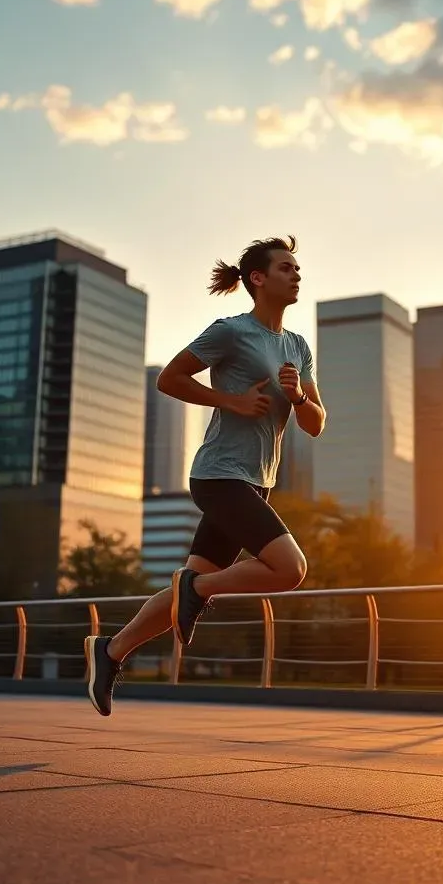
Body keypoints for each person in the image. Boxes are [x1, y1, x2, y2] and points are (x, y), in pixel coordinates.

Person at [84, 235, 327, 716]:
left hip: (256, 483)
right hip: (219, 476)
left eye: (297, 268)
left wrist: (298, 396)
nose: (296, 274)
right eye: (285, 267)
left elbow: (316, 423)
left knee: (195, 582)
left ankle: (110, 651)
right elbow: (169, 378)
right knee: (290, 569)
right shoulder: (231, 332)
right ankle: (193, 589)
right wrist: (230, 400)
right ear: (258, 278)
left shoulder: (297, 347)